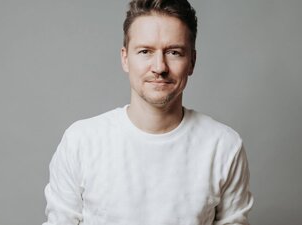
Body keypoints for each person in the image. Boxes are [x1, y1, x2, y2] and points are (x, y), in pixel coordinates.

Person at [42, 0, 254, 224]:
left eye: (174, 52)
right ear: (125, 58)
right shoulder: (81, 142)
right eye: (145, 51)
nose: (160, 67)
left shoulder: (223, 146)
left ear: (192, 61)